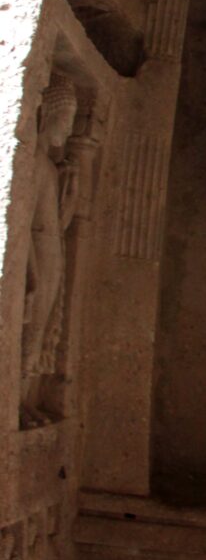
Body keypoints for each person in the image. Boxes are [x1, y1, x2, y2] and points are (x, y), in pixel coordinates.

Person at [20, 74, 79, 429]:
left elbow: (56, 223)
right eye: (65, 120)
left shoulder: (50, 169)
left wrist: (70, 199)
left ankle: (26, 401)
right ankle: (11, 403)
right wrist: (29, 273)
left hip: (52, 253)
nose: (68, 131)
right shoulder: (34, 164)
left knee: (41, 334)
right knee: (27, 334)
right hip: (38, 259)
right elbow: (24, 225)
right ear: (48, 116)